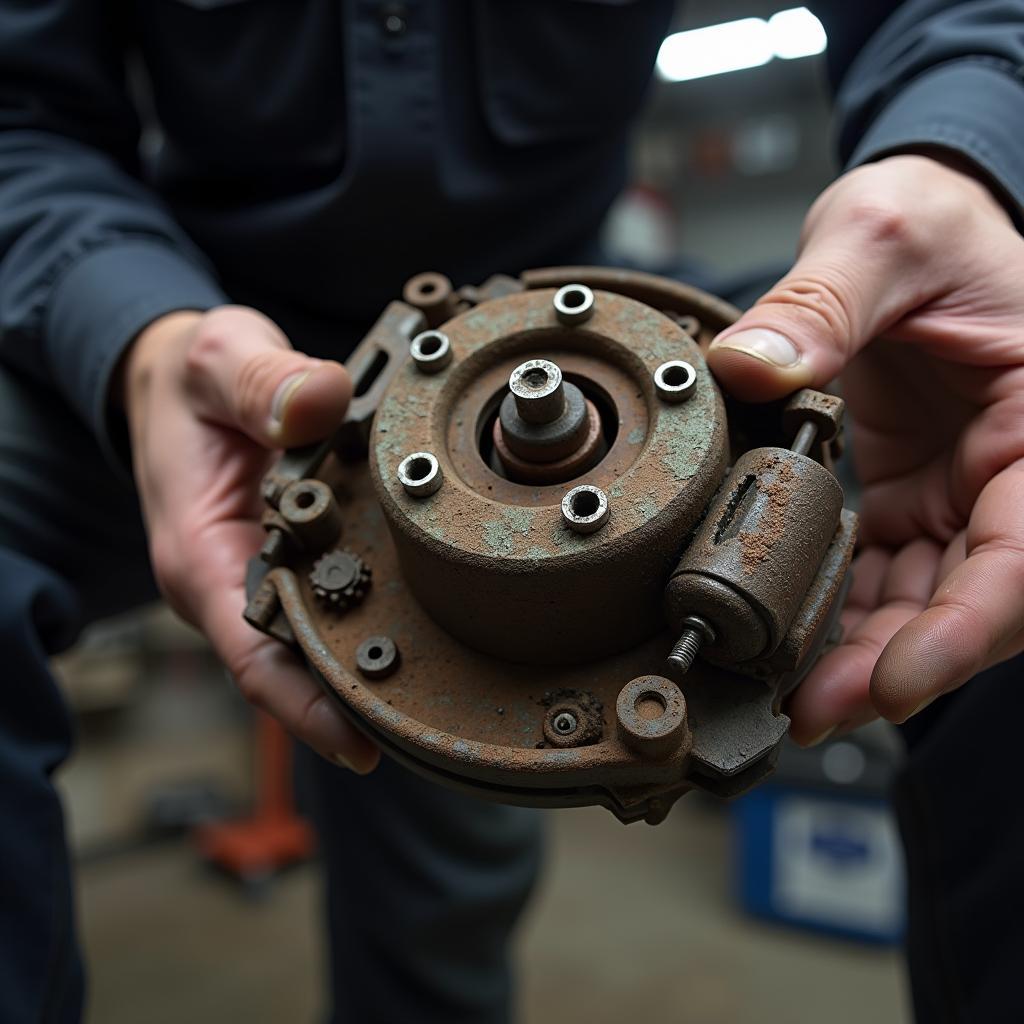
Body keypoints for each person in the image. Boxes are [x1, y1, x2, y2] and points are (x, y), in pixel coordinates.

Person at [0, 1, 1021, 1021]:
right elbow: (20, 114)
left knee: (993, 523)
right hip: (219, 359)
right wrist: (135, 334)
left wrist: (952, 160)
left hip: (579, 312)